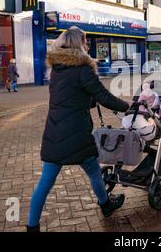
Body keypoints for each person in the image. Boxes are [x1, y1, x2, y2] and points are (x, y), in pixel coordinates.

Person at [26, 26, 130, 232]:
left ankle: (32, 226)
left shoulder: (56, 69)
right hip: (77, 134)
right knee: (94, 173)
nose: (87, 45)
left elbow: (70, 96)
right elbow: (104, 97)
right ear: (78, 44)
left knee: (45, 183)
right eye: (85, 41)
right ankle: (106, 205)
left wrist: (87, 100)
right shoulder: (83, 69)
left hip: (54, 133)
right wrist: (128, 106)